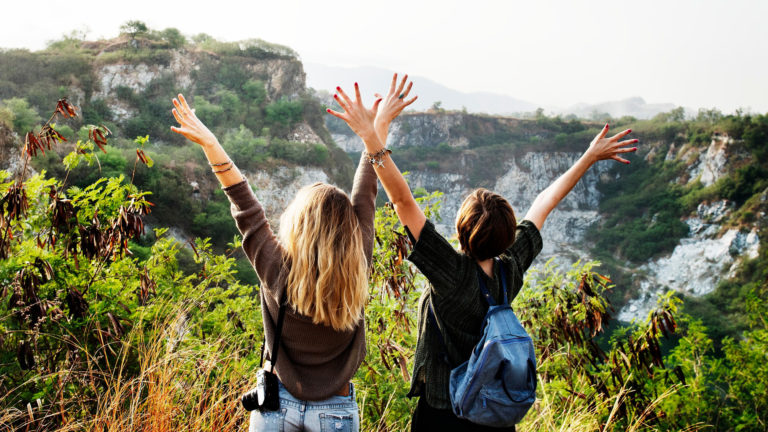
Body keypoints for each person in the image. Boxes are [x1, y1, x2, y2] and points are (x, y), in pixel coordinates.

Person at [327, 75, 638, 431]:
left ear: (461, 228)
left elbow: (401, 200)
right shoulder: (511, 269)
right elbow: (545, 203)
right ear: (507, 237)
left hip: (444, 410)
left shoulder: (452, 273)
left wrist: (371, 135)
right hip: (494, 412)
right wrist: (588, 158)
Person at [170, 93, 384, 432]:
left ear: (297, 223)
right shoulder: (358, 260)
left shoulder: (275, 268)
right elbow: (366, 194)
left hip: (275, 407)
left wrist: (210, 143)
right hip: (336, 414)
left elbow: (243, 203)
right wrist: (375, 131)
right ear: (350, 232)